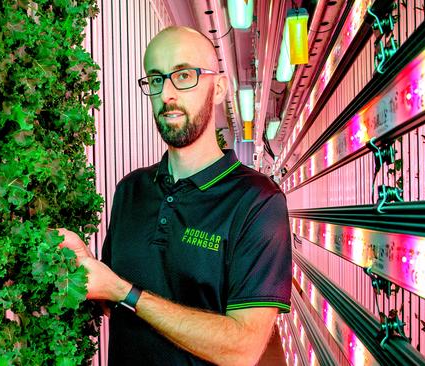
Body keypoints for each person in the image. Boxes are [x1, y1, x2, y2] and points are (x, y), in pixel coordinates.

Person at [58, 26, 292, 366]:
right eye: (155, 79)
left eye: (184, 75)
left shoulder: (258, 202)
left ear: (219, 88)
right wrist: (86, 268)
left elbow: (242, 348)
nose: (167, 93)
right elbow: (111, 295)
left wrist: (127, 294)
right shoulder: (130, 191)